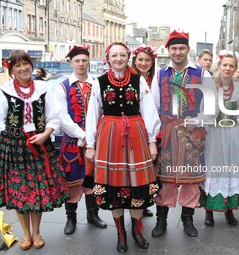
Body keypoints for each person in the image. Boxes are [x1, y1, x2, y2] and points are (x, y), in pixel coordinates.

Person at [84, 42, 161, 252]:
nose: (119, 59)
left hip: (135, 135)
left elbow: (149, 111)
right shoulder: (99, 82)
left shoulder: (139, 81)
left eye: (123, 55)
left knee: (137, 184)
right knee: (114, 187)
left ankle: (137, 230)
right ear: (108, 58)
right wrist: (90, 144)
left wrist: (152, 140)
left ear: (128, 57)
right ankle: (121, 233)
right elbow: (93, 113)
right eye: (114, 55)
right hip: (109, 136)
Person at [0, 50, 69, 250]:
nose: (23, 68)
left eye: (25, 64)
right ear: (12, 70)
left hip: (40, 145)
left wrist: (45, 135)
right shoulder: (4, 92)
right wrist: (6, 151)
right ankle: (25, 234)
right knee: (20, 192)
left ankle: (36, 232)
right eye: (17, 66)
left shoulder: (42, 89)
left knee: (37, 190)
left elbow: (53, 118)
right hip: (14, 148)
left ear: (31, 66)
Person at [151, 30, 214, 237]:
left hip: (192, 135)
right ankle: (161, 220)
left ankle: (187, 219)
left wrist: (197, 121)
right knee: (165, 179)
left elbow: (211, 107)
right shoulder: (160, 74)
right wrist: (154, 137)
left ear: (188, 49)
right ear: (168, 50)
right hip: (167, 133)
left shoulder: (203, 74)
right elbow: (154, 107)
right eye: (174, 48)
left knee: (191, 180)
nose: (177, 52)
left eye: (181, 48)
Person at [54, 45, 107, 235]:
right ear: (71, 63)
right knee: (73, 181)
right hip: (72, 142)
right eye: (77, 61)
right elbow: (62, 117)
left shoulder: (98, 83)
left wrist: (93, 136)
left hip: (97, 140)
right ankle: (71, 218)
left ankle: (93, 215)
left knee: (93, 179)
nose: (81, 64)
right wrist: (83, 135)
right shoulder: (63, 86)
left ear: (89, 62)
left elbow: (103, 111)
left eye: (84, 60)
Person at [200, 52, 239, 227]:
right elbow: (204, 111)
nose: (228, 68)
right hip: (214, 133)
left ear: (235, 69)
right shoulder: (210, 88)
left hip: (233, 134)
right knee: (213, 169)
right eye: (225, 65)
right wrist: (203, 133)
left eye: (231, 66)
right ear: (219, 67)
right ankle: (209, 212)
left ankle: (229, 210)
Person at [131, 43, 158, 217]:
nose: (143, 63)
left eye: (147, 60)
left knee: (150, 168)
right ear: (134, 61)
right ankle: (135, 202)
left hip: (152, 128)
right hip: (134, 128)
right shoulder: (130, 78)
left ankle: (144, 202)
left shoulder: (154, 78)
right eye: (140, 59)